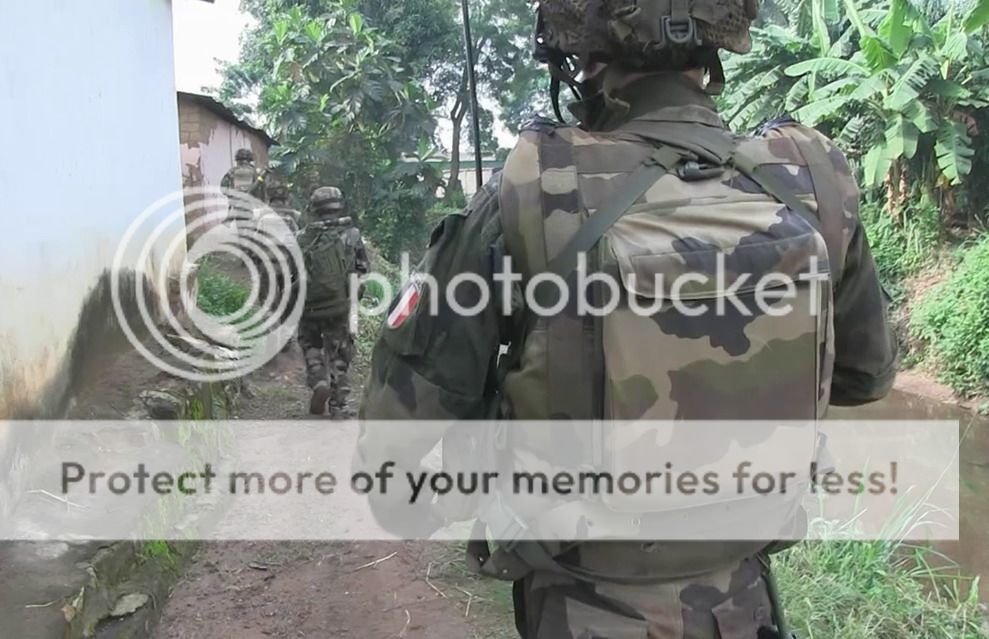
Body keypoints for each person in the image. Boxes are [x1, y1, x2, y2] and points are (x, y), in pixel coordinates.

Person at [358, 1, 898, 637]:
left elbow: (396, 450)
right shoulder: (811, 178)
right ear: (715, 47)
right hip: (742, 600)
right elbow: (864, 377)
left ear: (584, 59)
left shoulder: (532, 188)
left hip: (583, 605)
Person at [297, 187, 369, 416]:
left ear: (314, 208)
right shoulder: (353, 235)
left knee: (310, 344)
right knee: (340, 352)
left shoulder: (302, 237)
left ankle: (319, 380)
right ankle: (339, 404)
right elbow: (362, 269)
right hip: (340, 306)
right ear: (339, 206)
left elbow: (291, 272)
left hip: (309, 306)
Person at [221, 148, 266, 225]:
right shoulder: (254, 172)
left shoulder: (232, 171)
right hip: (249, 205)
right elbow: (261, 189)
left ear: (237, 159)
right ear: (249, 159)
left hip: (236, 205)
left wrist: (232, 195)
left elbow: (223, 187)